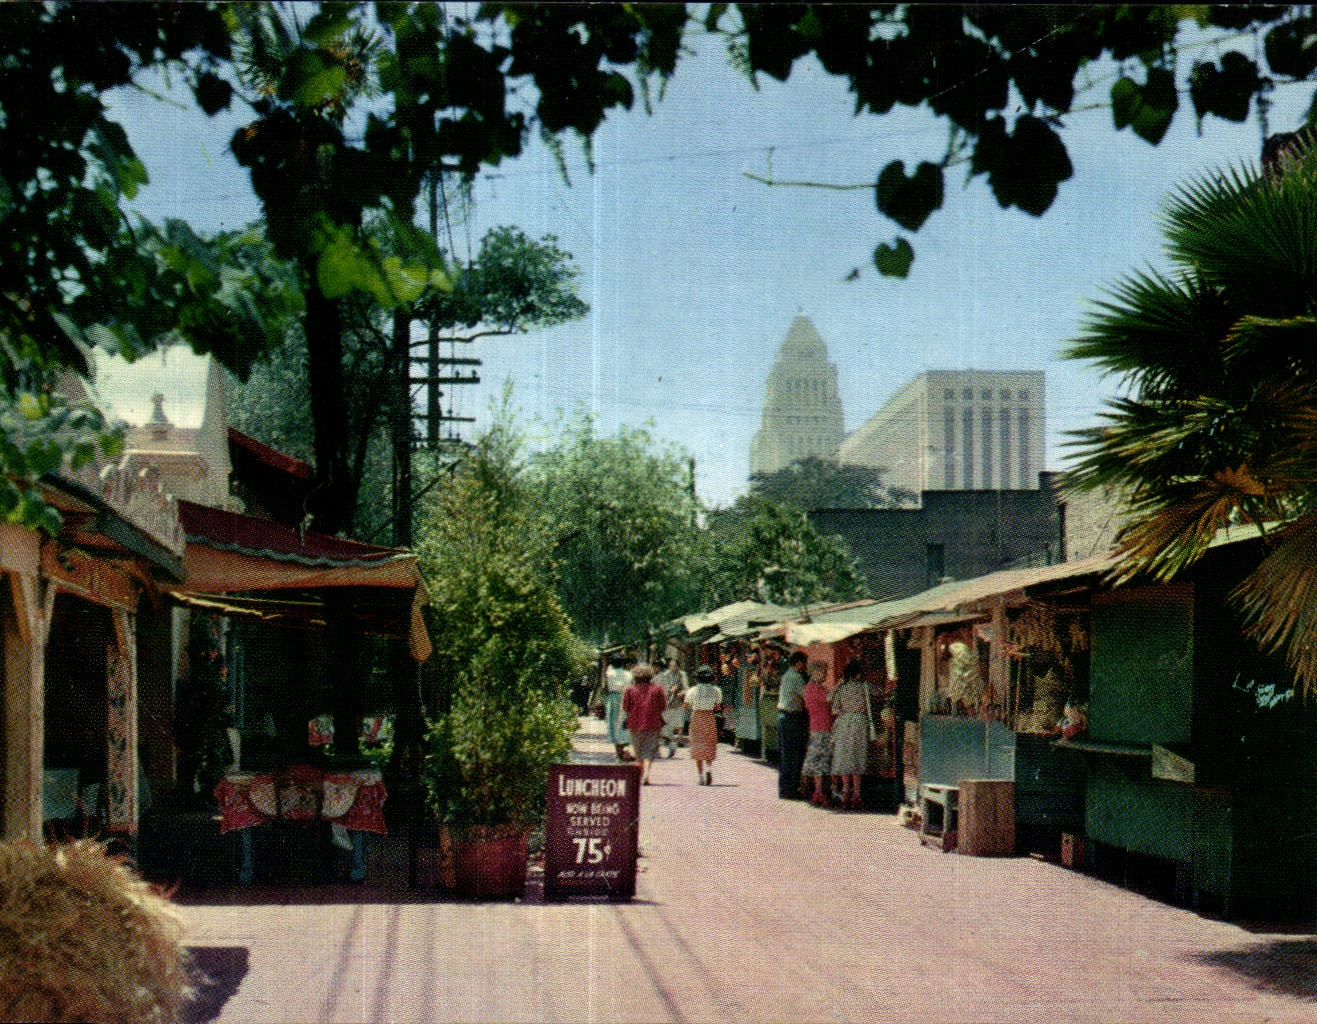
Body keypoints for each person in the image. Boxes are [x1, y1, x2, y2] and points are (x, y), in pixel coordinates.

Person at [829, 660, 869, 811]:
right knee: (857, 756)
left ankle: (845, 791)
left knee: (845, 757)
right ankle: (857, 794)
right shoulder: (865, 687)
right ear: (858, 674)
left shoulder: (842, 689)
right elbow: (880, 693)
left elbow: (834, 709)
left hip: (844, 723)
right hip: (859, 722)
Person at [622, 664, 668, 785]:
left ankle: (641, 773)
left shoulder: (629, 689)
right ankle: (647, 773)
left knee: (638, 751)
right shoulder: (657, 688)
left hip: (635, 723)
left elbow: (625, 707)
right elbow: (663, 706)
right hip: (653, 722)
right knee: (650, 749)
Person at [801, 660, 834, 807]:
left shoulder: (815, 687)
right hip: (820, 727)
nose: (826, 674)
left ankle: (819, 792)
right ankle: (818, 792)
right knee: (820, 761)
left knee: (820, 760)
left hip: (820, 727)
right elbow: (829, 698)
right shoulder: (814, 687)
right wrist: (839, 686)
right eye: (824, 671)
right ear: (815, 672)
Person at [776, 650, 808, 799]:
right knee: (793, 755)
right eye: (804, 663)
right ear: (799, 663)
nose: (805, 667)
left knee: (785, 754)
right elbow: (806, 696)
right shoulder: (796, 677)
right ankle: (791, 790)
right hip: (791, 717)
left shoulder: (786, 675)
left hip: (783, 716)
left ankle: (784, 789)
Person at [683, 665, 723, 785]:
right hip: (709, 717)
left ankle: (700, 776)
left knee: (697, 745)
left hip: (696, 717)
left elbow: (685, 706)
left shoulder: (692, 690)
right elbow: (718, 706)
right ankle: (709, 769)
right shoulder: (716, 690)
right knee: (709, 744)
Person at [656, 657, 688, 758]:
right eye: (671, 665)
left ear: (678, 666)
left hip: (678, 702)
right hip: (667, 703)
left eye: (674, 665)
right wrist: (670, 691)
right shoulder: (665, 675)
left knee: (679, 723)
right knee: (667, 725)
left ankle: (678, 739)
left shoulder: (682, 674)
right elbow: (662, 688)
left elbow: (686, 687)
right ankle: (670, 743)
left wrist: (681, 692)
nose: (672, 667)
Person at [604, 653, 633, 762]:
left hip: (613, 698)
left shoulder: (609, 673)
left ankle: (618, 752)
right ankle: (622, 749)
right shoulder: (628, 674)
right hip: (626, 697)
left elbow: (605, 686)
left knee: (613, 723)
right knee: (624, 723)